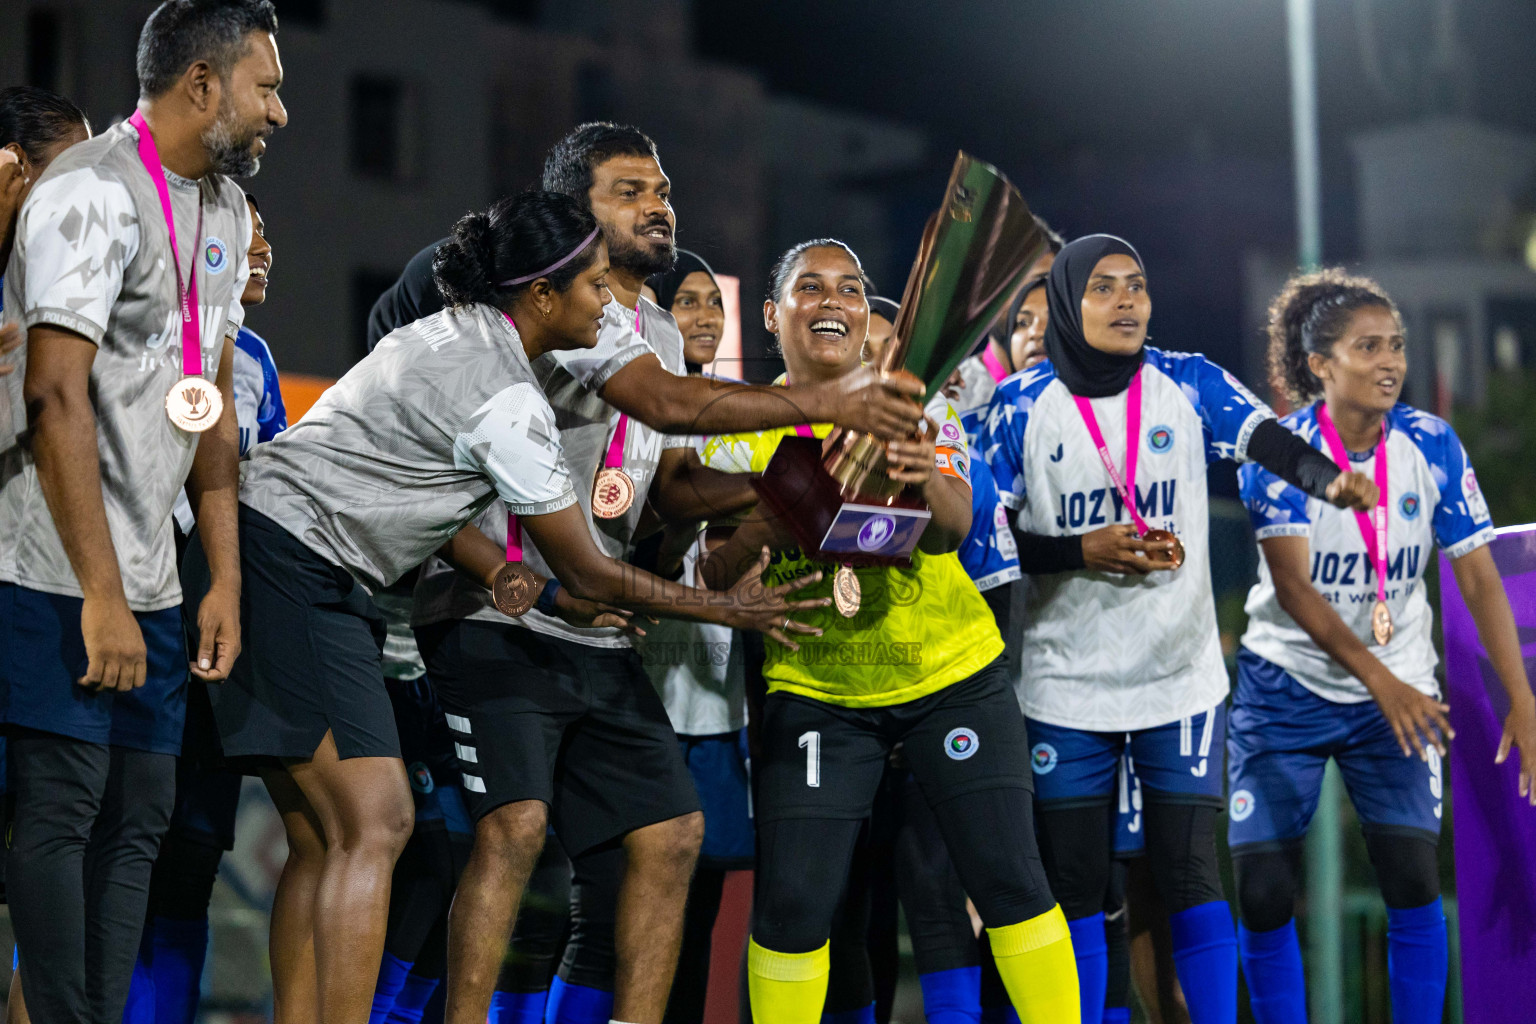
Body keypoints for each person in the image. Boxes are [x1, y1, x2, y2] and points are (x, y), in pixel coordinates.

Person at [207, 189, 820, 1024]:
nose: (609, 307)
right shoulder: (508, 401)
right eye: (595, 288)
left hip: (299, 560)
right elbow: (593, 568)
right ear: (540, 294)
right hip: (290, 562)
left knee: (330, 837)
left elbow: (443, 505)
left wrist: (530, 583)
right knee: (379, 824)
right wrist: (723, 610)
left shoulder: (460, 333)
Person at [978, 234, 1378, 1024]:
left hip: (1179, 680)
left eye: (1138, 284)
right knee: (1080, 886)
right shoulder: (1020, 406)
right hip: (1066, 687)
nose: (1127, 300)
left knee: (1195, 878)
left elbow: (1266, 439)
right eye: (1103, 287)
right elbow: (987, 542)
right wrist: (1078, 550)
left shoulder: (1187, 383)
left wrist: (1330, 480)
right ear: (1065, 301)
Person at [701, 238, 1080, 1024]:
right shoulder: (738, 427)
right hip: (818, 690)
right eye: (811, 287)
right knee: (795, 905)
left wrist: (916, 470)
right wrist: (768, 523)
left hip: (950, 676)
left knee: (1010, 881)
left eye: (850, 287)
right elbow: (713, 574)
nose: (834, 301)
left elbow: (950, 526)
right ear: (773, 315)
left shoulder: (915, 403)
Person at [0, 2, 284, 1019]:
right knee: (66, 805)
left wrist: (224, 580)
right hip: (52, 567)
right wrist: (101, 593)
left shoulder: (228, 213)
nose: (280, 112)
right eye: (266, 86)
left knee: (143, 816)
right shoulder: (88, 191)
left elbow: (207, 404)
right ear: (201, 84)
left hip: (156, 575)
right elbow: (53, 392)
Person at [1229, 269, 1536, 1024]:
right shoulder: (1281, 454)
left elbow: (1480, 581)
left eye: (1396, 344)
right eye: (1368, 347)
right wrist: (1382, 683)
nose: (1391, 360)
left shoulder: (1433, 444)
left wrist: (1522, 700)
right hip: (1287, 687)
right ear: (1320, 366)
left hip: (1397, 687)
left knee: (1410, 880)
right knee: (1265, 893)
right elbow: (1296, 592)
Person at [124, 190, 284, 1024]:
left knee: (190, 853)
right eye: (244, 233)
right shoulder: (133, 328)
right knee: (114, 851)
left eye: (265, 235)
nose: (260, 247)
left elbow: (266, 492)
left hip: (209, 629)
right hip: (132, 610)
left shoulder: (252, 355)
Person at [628, 251, 755, 1024]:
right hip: (640, 681)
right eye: (687, 303)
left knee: (702, 899)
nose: (705, 316)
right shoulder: (632, 416)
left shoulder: (744, 420)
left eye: (714, 303)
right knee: (625, 900)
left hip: (715, 694)